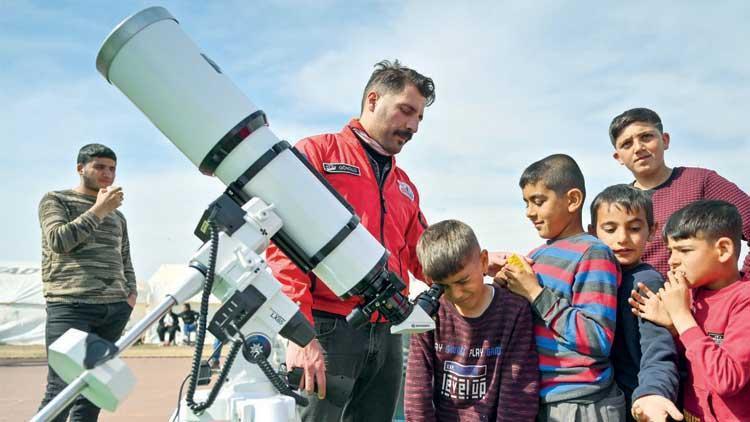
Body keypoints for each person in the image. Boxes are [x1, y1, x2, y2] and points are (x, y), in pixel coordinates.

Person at [266, 59, 435, 421]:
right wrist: (300, 335)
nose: (412, 126)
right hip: (328, 329)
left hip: (389, 333)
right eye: (406, 111)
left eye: (419, 118)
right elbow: (281, 245)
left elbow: (426, 256)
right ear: (372, 100)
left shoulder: (405, 185)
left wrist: (475, 265)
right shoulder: (318, 154)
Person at [493, 153, 625, 421]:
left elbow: (597, 338)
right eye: (526, 203)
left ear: (573, 200)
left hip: (582, 403)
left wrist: (534, 292)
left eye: (539, 201)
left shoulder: (593, 253)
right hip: (538, 399)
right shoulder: (537, 254)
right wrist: (502, 293)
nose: (530, 212)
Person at [37, 143, 136, 421]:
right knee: (61, 387)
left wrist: (131, 293)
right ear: (81, 168)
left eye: (112, 168)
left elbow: (125, 257)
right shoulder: (56, 200)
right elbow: (59, 240)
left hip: (114, 308)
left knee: (94, 389)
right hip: (71, 305)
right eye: (100, 167)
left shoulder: (118, 216)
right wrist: (99, 210)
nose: (107, 174)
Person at [404, 220, 539, 421]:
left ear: (484, 261)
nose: (457, 293)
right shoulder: (428, 314)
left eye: (463, 281)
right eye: (444, 286)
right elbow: (417, 394)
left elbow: (519, 392)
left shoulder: (514, 311)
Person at [630, 200, 750, 421]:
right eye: (671, 251)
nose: (672, 261)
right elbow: (694, 353)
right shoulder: (692, 295)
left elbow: (727, 379)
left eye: (684, 250)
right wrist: (672, 327)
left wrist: (681, 316)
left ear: (723, 249)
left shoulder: (744, 300)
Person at [608, 107, 750, 278]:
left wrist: (742, 284)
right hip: (633, 302)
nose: (638, 148)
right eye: (627, 144)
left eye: (646, 137)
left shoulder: (701, 182)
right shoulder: (616, 204)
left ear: (665, 140)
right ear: (618, 157)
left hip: (697, 303)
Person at [589, 185, 681, 421]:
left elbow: (657, 349)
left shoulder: (644, 281)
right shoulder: (595, 277)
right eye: (610, 229)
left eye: (635, 228)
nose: (622, 238)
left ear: (652, 230)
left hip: (639, 405)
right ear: (593, 232)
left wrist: (653, 391)